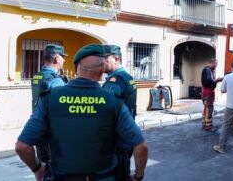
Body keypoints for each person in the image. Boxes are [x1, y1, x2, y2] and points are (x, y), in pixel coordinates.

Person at [15, 44, 148, 181]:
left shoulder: (49, 99)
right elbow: (141, 147)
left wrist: (38, 169)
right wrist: (138, 177)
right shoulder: (113, 101)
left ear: (75, 68)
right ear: (102, 71)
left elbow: (22, 146)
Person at [102, 44, 138, 181]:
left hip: (116, 141)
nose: (102, 62)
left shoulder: (115, 81)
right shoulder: (127, 77)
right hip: (125, 136)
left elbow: (105, 112)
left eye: (105, 58)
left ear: (116, 59)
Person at [30, 44, 67, 164]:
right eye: (62, 57)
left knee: (44, 162)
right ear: (56, 59)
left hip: (38, 124)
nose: (64, 60)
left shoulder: (37, 76)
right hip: (52, 129)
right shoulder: (55, 79)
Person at [200, 58, 223, 132]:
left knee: (206, 108)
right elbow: (207, 82)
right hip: (207, 93)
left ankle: (204, 124)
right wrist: (216, 80)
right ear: (211, 63)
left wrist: (215, 80)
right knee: (209, 109)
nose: (216, 66)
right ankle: (208, 126)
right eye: (215, 65)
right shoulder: (207, 70)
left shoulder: (209, 70)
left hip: (206, 92)